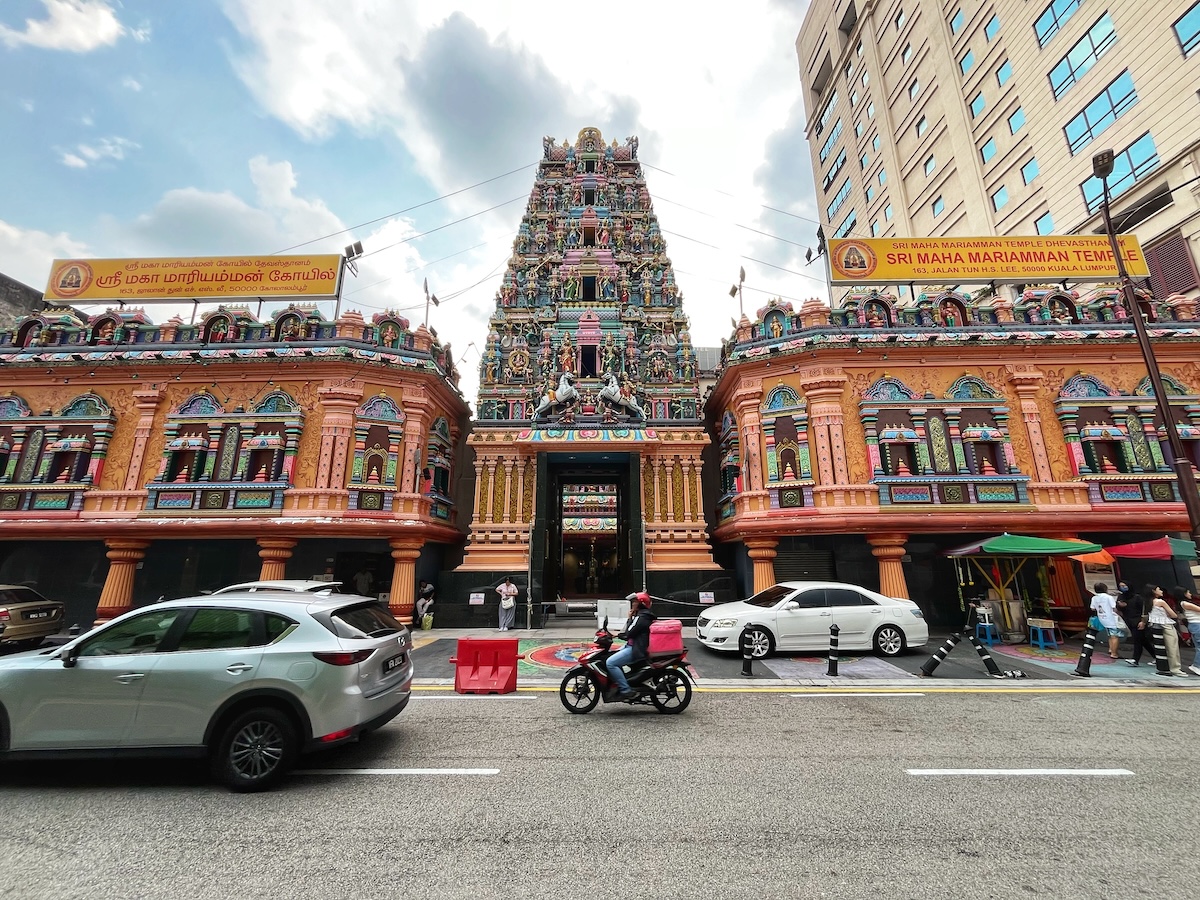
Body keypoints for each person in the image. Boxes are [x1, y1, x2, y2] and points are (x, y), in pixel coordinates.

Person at [605, 592, 656, 701]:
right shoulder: (641, 616)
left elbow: (629, 633)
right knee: (610, 656)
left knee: (610, 663)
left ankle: (626, 690)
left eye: (635, 602)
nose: (632, 604)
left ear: (641, 603)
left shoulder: (642, 617)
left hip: (635, 649)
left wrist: (629, 619)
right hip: (631, 646)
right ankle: (621, 682)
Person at [1147, 585, 1186, 677]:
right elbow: (1173, 615)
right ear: (1154, 591)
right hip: (1166, 625)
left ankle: (1164, 667)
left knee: (1162, 648)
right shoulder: (1160, 601)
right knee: (1172, 647)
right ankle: (1175, 668)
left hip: (1155, 625)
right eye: (1159, 589)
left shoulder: (1148, 601)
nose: (1161, 591)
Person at [1088, 582, 1124, 660]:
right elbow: (1114, 608)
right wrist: (1120, 614)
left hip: (1102, 618)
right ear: (1105, 588)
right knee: (1114, 636)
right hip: (1111, 618)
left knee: (1110, 635)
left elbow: (1092, 608)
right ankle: (1114, 653)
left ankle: (1111, 649)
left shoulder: (1094, 598)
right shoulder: (1108, 597)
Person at [1179, 589, 1200, 676]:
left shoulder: (1185, 603)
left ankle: (1197, 665)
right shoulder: (1185, 603)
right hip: (1197, 625)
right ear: (1183, 594)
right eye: (1188, 592)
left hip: (1196, 625)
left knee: (1198, 647)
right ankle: (1196, 665)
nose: (1190, 594)